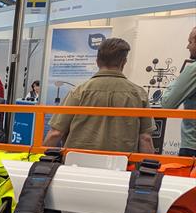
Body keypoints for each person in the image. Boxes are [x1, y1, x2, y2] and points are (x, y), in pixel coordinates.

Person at [44, 38, 155, 154]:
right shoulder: (139, 94)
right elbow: (145, 139)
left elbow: (56, 133)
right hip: (121, 166)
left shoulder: (79, 92)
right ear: (124, 62)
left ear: (97, 61)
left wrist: (37, 159)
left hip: (77, 164)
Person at [161, 26, 196, 157]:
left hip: (192, 147)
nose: (188, 47)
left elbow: (167, 104)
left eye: (191, 42)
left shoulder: (193, 69)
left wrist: (177, 80)